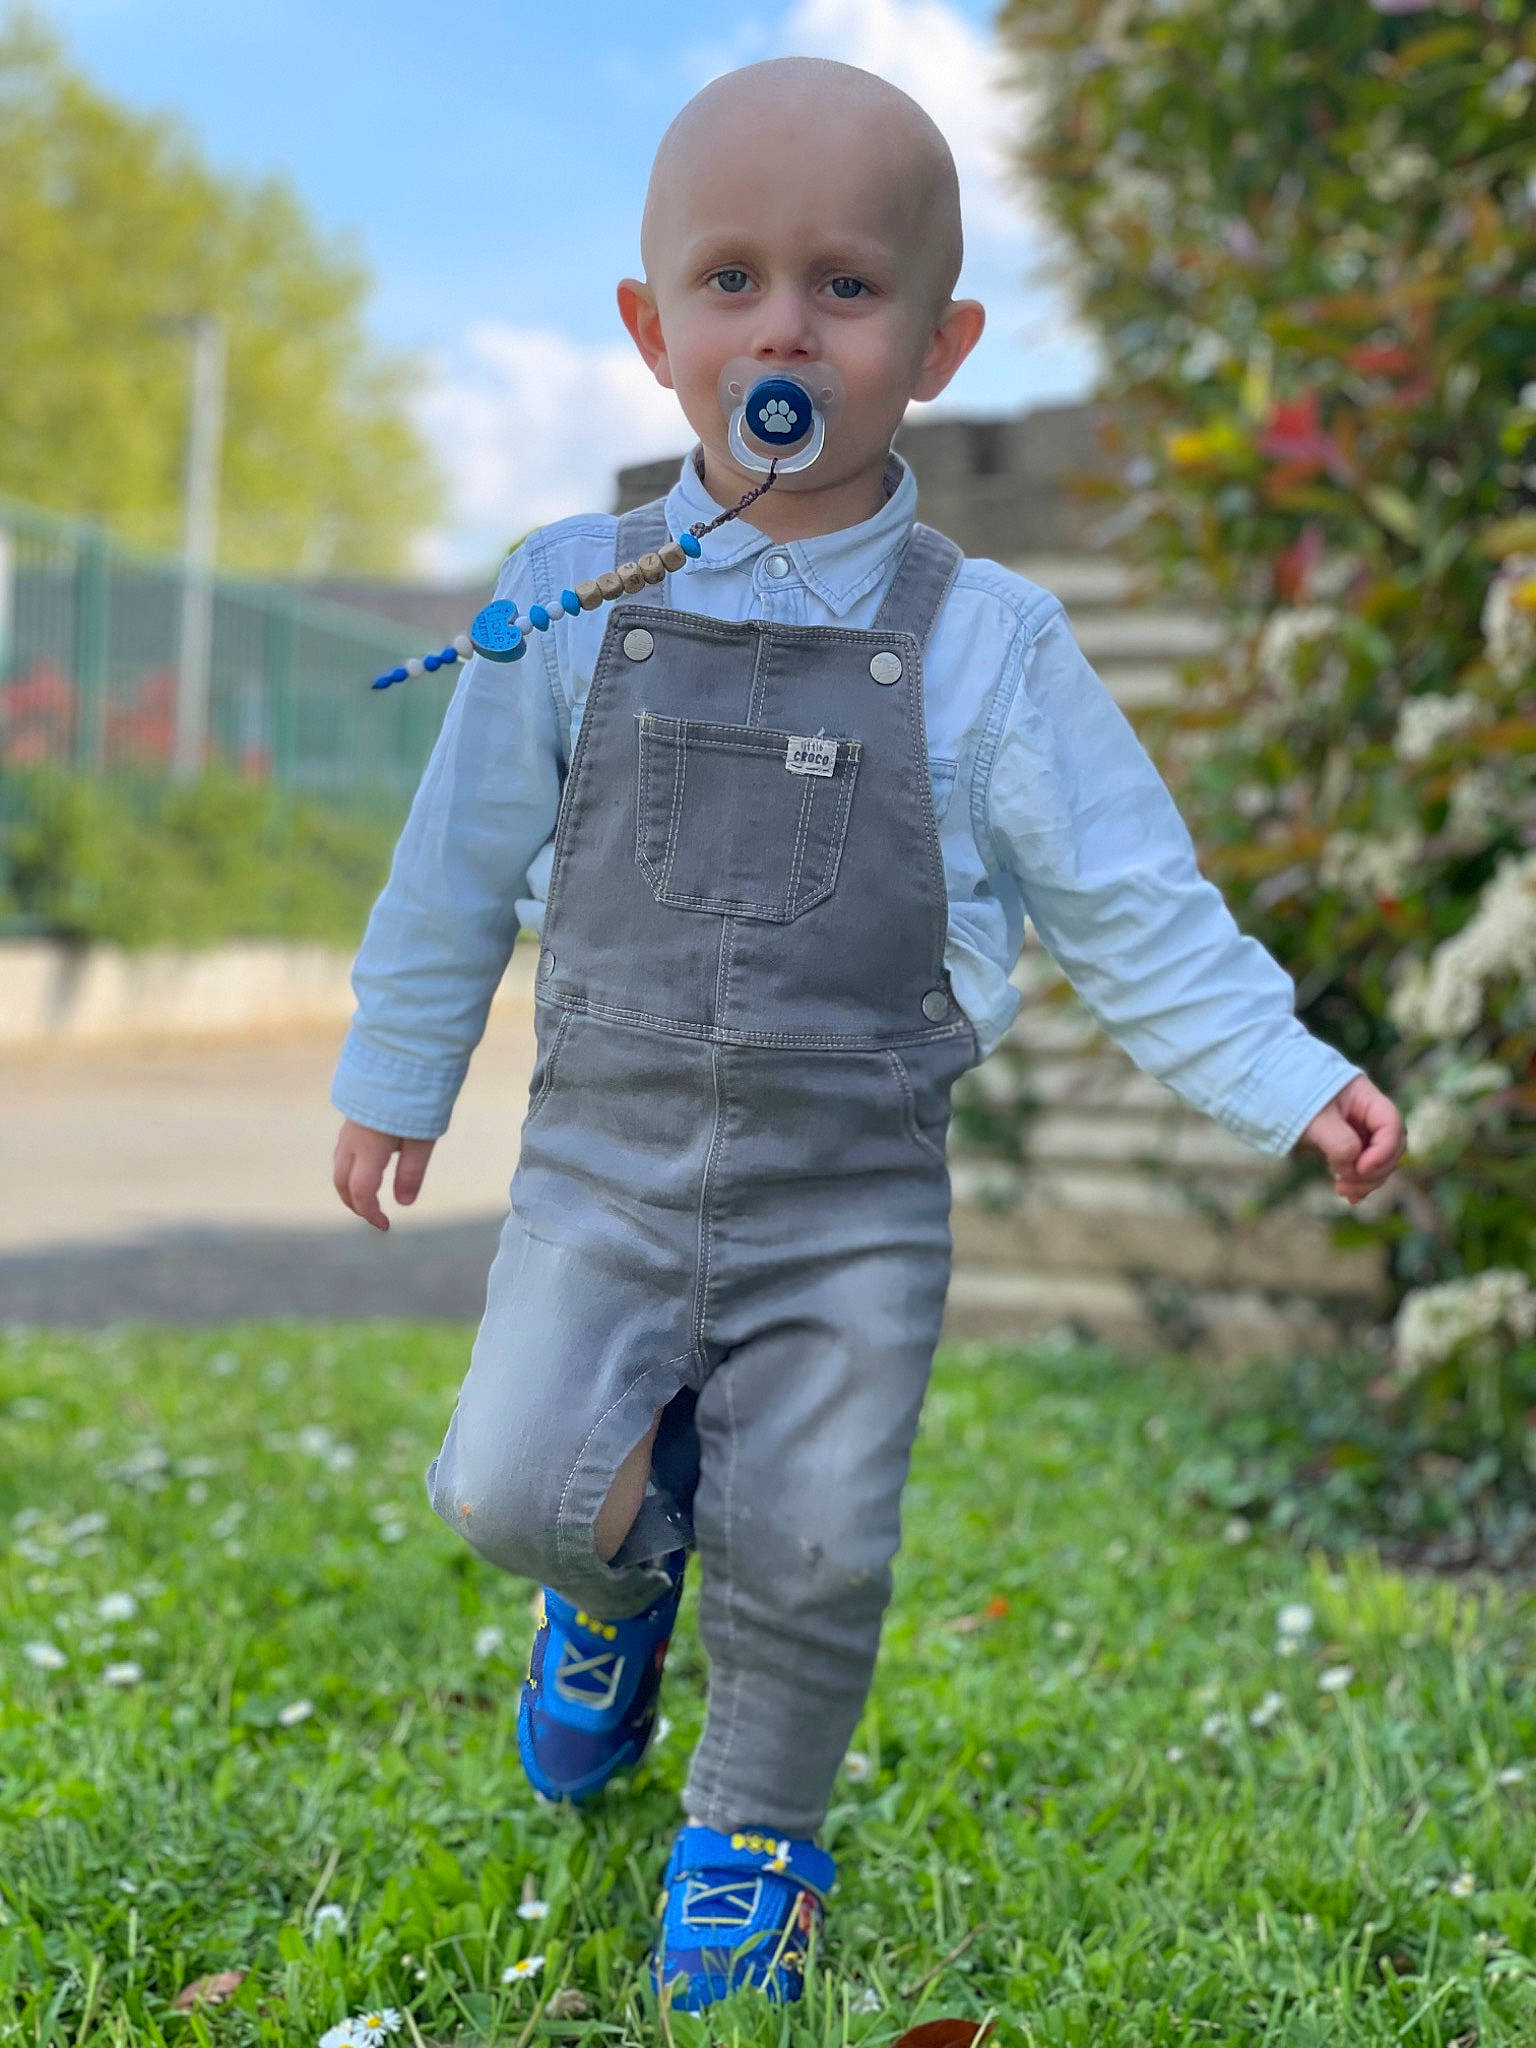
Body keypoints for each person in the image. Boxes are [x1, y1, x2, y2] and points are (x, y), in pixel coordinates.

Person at [330, 56, 1405, 2014]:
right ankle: (608, 1587)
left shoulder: (991, 642)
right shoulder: (565, 595)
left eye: (845, 285)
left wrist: (1286, 1070)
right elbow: (459, 858)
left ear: (936, 342)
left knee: (813, 1541)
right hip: (600, 1168)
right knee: (505, 1481)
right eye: (731, 280)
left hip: (853, 1205)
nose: (785, 326)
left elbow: (1128, 896)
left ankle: (752, 1831)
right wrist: (396, 1075)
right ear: (655, 331)